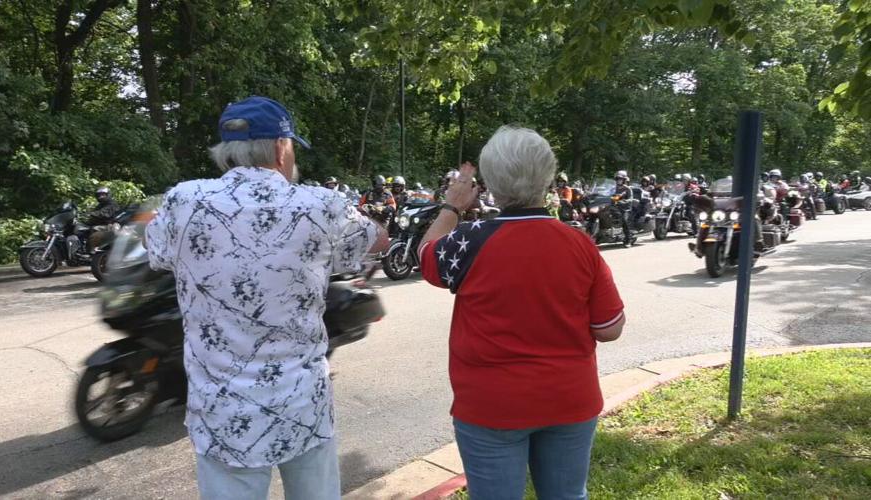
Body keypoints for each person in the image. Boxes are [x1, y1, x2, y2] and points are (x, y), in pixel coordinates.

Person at [144, 96, 389, 500]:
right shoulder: (320, 205)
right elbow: (378, 240)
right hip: (301, 403)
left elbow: (156, 253)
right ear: (280, 148)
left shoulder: (183, 201)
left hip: (223, 411)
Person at [416, 126, 625, 500]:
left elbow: (426, 255)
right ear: (547, 178)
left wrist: (452, 205)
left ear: (491, 183)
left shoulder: (470, 241)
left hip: (490, 406)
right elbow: (609, 328)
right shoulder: (579, 242)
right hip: (569, 399)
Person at [613, 170, 635, 246]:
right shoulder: (613, 188)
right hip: (613, 206)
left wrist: (623, 201)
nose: (619, 180)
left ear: (624, 180)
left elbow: (630, 199)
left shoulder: (627, 189)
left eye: (621, 179)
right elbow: (606, 194)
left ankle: (628, 240)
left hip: (624, 208)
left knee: (624, 220)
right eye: (618, 179)